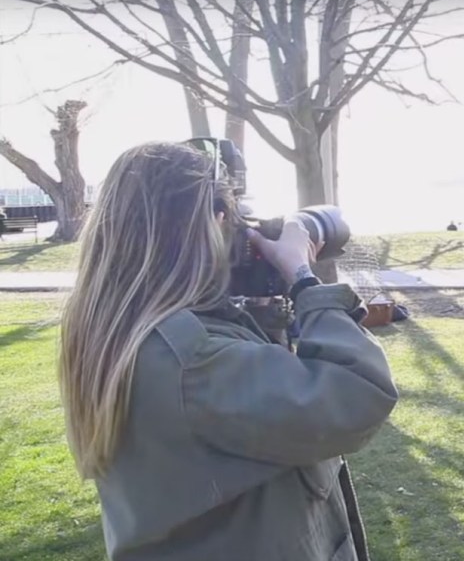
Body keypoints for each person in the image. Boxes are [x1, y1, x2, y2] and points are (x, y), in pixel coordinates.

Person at [58, 142, 399, 560]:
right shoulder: (191, 359)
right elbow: (358, 393)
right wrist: (302, 276)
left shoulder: (122, 332)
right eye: (230, 219)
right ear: (209, 224)